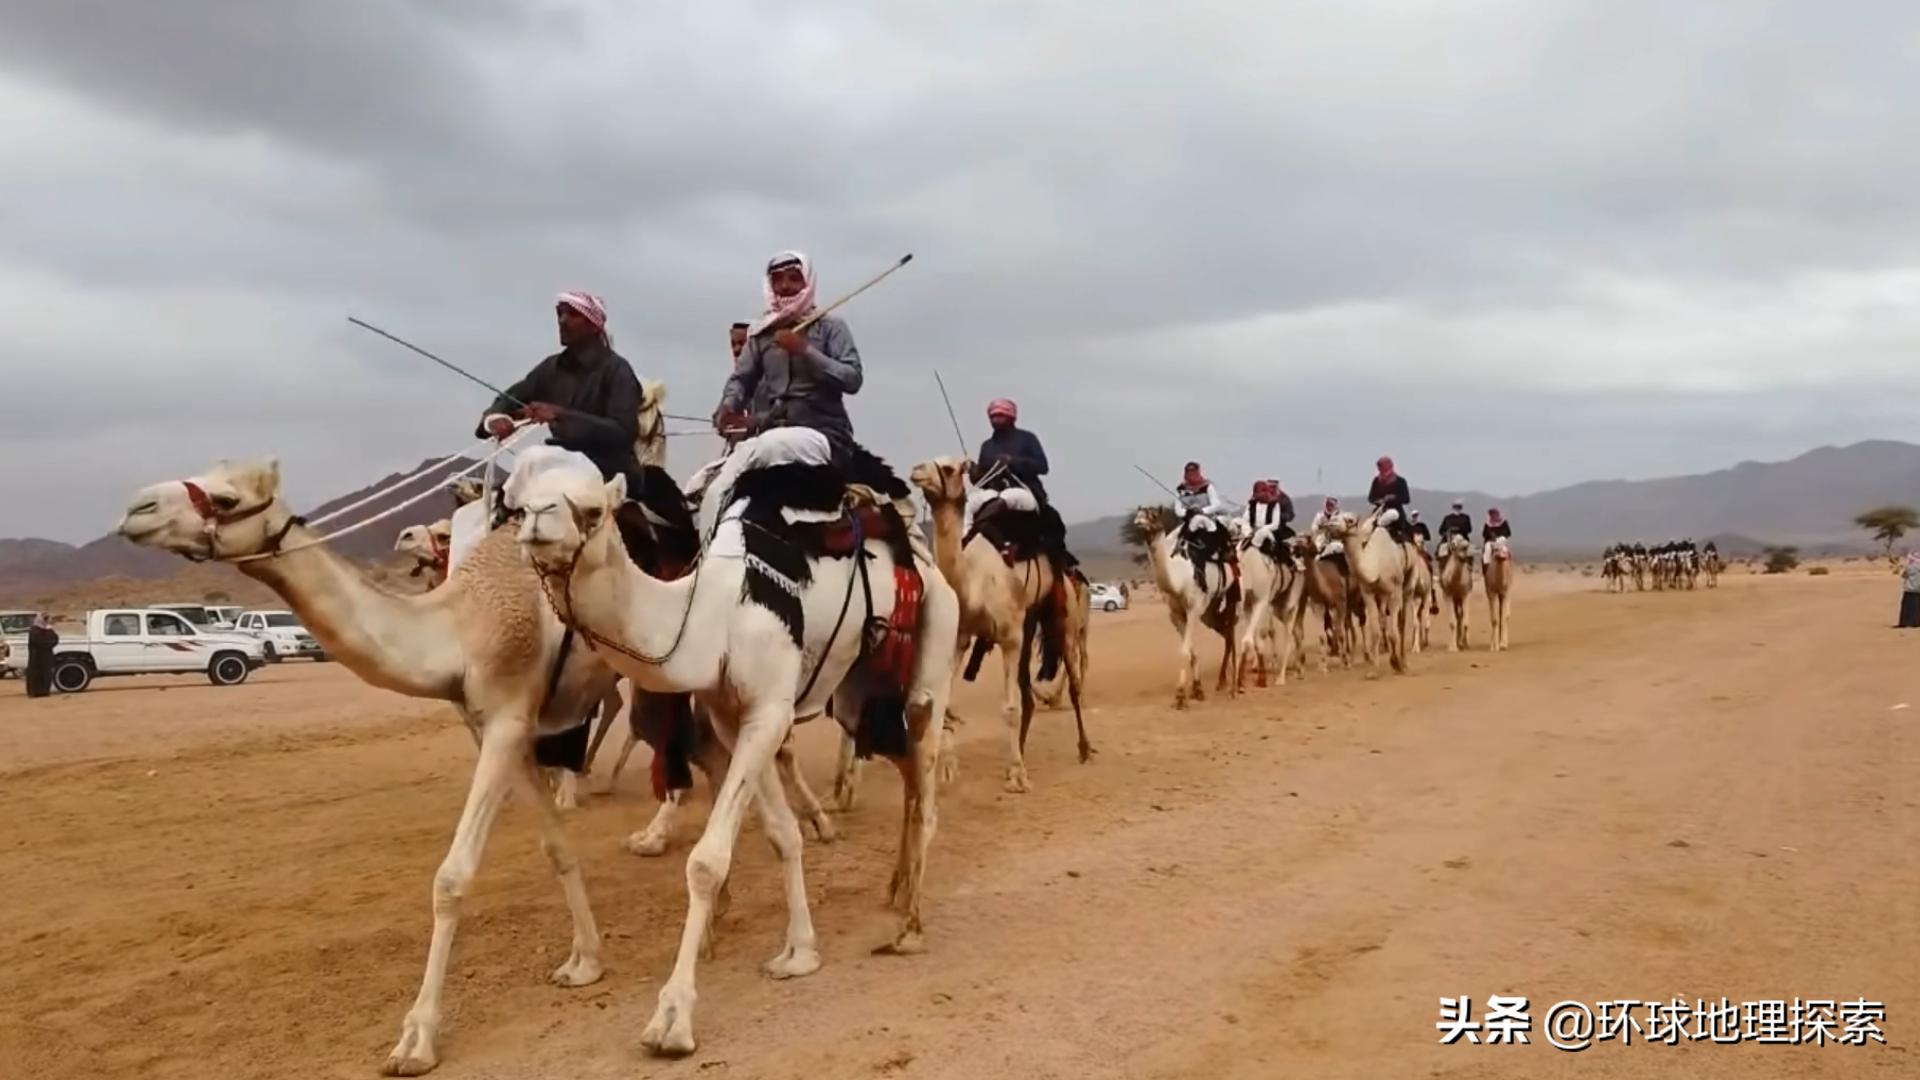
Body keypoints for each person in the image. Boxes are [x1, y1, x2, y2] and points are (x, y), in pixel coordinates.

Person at [477, 291, 698, 572]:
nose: (562, 321)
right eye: (559, 313)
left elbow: (622, 431)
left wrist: (560, 414)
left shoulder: (618, 371)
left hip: (609, 469)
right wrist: (495, 419)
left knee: (532, 458)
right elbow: (511, 398)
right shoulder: (551, 368)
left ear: (594, 324)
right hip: (560, 466)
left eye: (572, 314)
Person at [713, 251, 864, 465]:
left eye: (794, 278)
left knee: (771, 447)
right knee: (705, 484)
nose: (784, 286)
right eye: (778, 280)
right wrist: (728, 408)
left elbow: (853, 379)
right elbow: (741, 379)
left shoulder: (832, 327)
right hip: (771, 431)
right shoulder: (761, 334)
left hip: (823, 433)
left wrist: (804, 350)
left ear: (808, 282)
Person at [970, 398, 1075, 570]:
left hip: (1025, 493)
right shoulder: (987, 446)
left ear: (1011, 417)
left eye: (1000, 415)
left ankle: (1059, 577)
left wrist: (1013, 461)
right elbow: (983, 479)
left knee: (1052, 525)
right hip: (993, 494)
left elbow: (1043, 466)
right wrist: (974, 472)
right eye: (992, 416)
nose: (995, 419)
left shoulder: (1027, 439)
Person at [25, 613, 57, 699]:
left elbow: (55, 640)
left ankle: (44, 691)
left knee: (46, 674)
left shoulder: (47, 630)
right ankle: (34, 692)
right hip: (36, 657)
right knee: (35, 674)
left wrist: (50, 631)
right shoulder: (34, 630)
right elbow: (40, 642)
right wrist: (49, 634)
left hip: (46, 657)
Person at [1899, 551, 1920, 628]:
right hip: (1918, 590)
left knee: (1907, 607)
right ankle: (1916, 622)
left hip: (1909, 589)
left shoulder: (1910, 567)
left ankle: (1905, 622)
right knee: (1917, 607)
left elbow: (1904, 575)